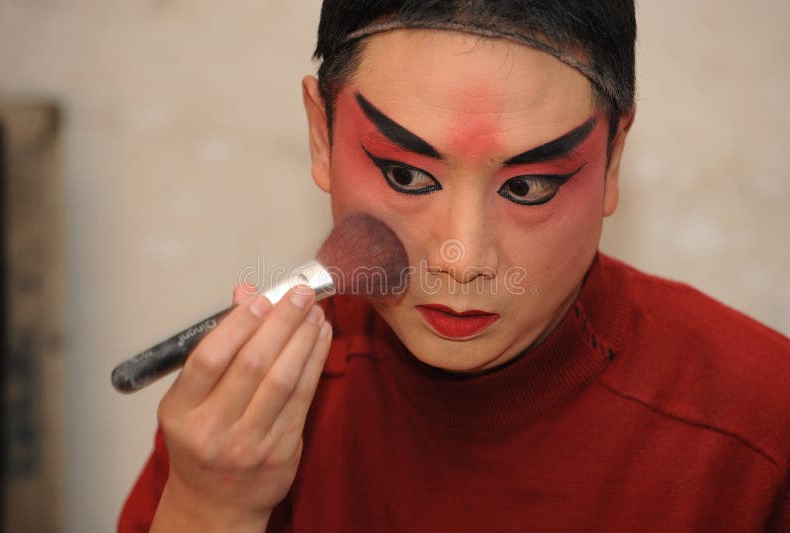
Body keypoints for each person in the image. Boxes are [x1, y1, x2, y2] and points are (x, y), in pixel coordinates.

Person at [119, 1, 790, 531]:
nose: (462, 259)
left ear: (613, 159)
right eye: (407, 175)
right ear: (321, 135)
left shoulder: (760, 429)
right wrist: (213, 510)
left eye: (529, 187)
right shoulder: (243, 420)